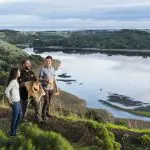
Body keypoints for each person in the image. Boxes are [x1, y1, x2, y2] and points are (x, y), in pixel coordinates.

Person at [39, 56, 59, 122]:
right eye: (46, 61)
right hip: (45, 88)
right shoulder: (42, 69)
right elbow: (40, 79)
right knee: (46, 101)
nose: (47, 62)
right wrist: (46, 80)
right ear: (45, 61)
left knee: (49, 102)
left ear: (51, 61)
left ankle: (47, 113)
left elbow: (54, 79)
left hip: (51, 88)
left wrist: (57, 89)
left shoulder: (53, 69)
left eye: (49, 61)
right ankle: (43, 115)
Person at [5, 68, 22, 136]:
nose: (20, 72)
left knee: (19, 116)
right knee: (14, 118)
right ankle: (12, 133)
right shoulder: (13, 81)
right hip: (15, 102)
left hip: (18, 101)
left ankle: (14, 131)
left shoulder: (15, 80)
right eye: (19, 71)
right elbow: (6, 91)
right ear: (16, 73)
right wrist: (9, 100)